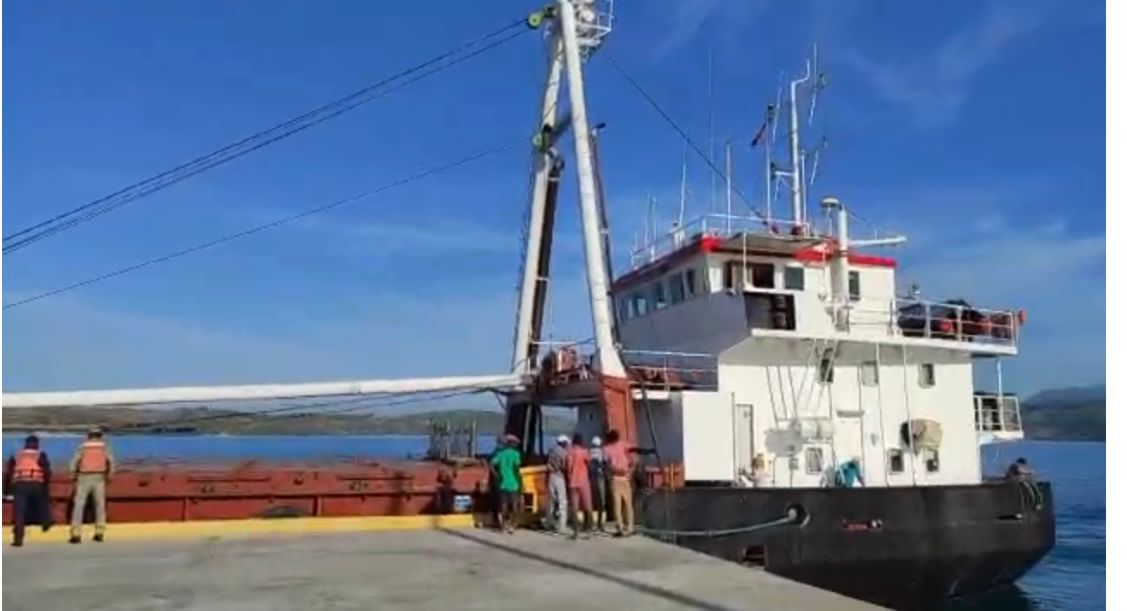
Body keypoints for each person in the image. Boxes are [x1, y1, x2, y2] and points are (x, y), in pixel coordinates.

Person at [4, 435, 54, 547]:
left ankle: (18, 539)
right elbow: (47, 472)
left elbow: (9, 473)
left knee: (19, 513)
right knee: (42, 503)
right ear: (37, 444)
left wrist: (7, 491)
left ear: (25, 444)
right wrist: (45, 485)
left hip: (20, 485)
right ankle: (46, 523)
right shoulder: (40, 454)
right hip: (36, 484)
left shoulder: (17, 455)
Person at [69, 426, 115, 544]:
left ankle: (76, 534)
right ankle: (99, 532)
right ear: (100, 435)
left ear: (89, 435)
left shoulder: (83, 446)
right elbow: (111, 462)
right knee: (100, 505)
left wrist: (73, 474)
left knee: (79, 505)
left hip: (84, 477)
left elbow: (74, 462)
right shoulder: (105, 446)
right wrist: (110, 475)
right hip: (99, 477)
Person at [603, 429, 634, 537]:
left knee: (617, 505)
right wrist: (630, 471)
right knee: (628, 504)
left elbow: (606, 464)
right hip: (625, 478)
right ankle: (630, 527)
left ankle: (620, 527)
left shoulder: (606, 449)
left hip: (615, 478)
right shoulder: (623, 445)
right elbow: (633, 458)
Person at [489, 434, 522, 534]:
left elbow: (491, 464)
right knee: (515, 505)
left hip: (503, 483)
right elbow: (516, 468)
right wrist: (519, 480)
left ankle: (503, 526)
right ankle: (513, 526)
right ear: (512, 444)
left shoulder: (501, 454)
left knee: (504, 505)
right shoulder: (516, 454)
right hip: (513, 483)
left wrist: (497, 475)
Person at [566, 433, 593, 539]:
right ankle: (589, 530)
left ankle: (575, 532)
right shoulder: (584, 452)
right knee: (587, 505)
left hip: (573, 482)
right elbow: (590, 464)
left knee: (574, 507)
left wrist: (569, 479)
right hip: (583, 481)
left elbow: (568, 468)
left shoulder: (570, 452)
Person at [546, 434, 570, 535]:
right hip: (559, 477)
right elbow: (565, 466)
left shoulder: (552, 450)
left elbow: (548, 464)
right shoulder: (564, 453)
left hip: (551, 477)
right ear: (564, 443)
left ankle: (549, 522)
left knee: (551, 500)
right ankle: (561, 526)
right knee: (562, 502)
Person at [588, 435, 610, 532]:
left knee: (592, 502)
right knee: (601, 502)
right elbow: (606, 464)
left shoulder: (588, 452)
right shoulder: (602, 452)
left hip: (591, 479)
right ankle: (600, 524)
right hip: (600, 478)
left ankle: (591, 523)